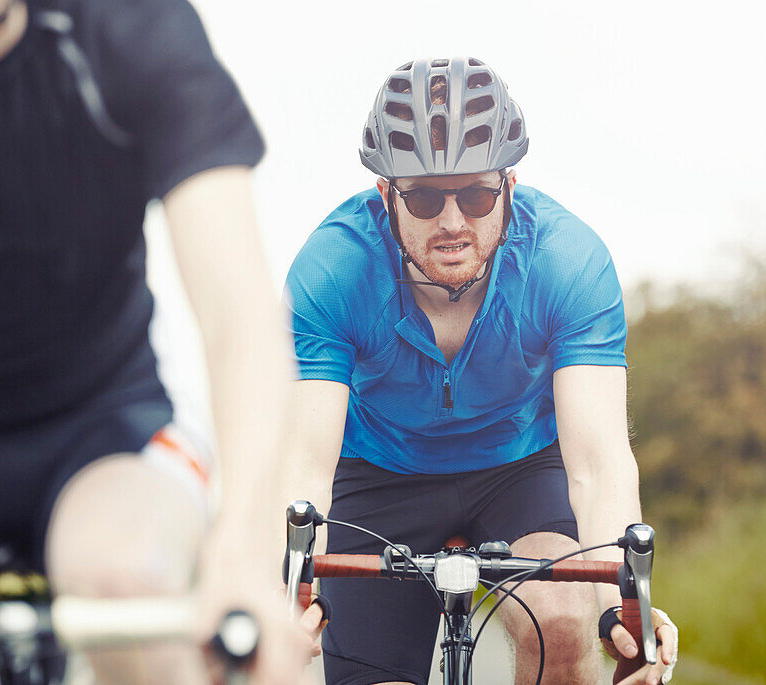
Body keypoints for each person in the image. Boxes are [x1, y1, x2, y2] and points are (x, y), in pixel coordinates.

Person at [0, 0, 317, 682]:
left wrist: (241, 557)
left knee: (126, 581)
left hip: (98, 431)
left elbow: (241, 316)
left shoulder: (121, 20)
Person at [284, 57, 678, 685]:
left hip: (518, 467)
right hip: (378, 473)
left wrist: (622, 608)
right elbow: (303, 466)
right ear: (385, 194)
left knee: (567, 625)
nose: (451, 221)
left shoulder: (567, 263)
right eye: (421, 196)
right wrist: (285, 591)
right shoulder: (333, 269)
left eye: (476, 194)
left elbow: (600, 466)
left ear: (510, 185)